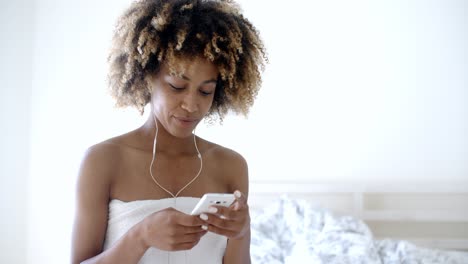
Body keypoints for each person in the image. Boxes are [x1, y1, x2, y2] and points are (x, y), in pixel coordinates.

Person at [71, 0, 267, 263]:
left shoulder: (231, 166)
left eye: (206, 91)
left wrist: (242, 234)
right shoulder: (103, 160)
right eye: (177, 86)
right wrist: (140, 237)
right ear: (147, 77)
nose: (192, 105)